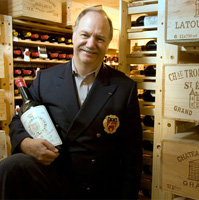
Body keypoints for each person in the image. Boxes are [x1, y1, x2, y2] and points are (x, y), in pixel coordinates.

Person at [0, 7, 142, 199]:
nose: (90, 44)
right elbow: (18, 120)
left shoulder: (124, 87)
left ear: (108, 43)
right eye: (85, 34)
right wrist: (25, 144)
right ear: (74, 35)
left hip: (98, 186)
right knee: (10, 166)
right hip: (54, 177)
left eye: (100, 38)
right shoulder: (46, 79)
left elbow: (132, 154)